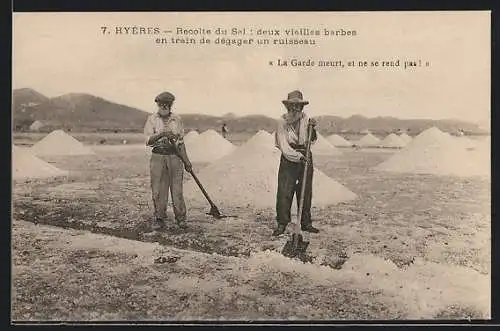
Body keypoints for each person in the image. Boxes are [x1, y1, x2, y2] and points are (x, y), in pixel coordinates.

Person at [143, 91, 193, 231]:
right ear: (157, 104)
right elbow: (148, 141)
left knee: (177, 190)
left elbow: (181, 143)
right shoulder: (152, 120)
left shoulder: (177, 120)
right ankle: (160, 218)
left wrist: (187, 161)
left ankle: (181, 219)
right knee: (158, 189)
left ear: (171, 105)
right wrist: (162, 134)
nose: (164, 106)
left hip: (175, 157)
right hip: (158, 157)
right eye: (161, 104)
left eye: (167, 104)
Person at [273, 90, 319, 236]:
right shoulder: (282, 122)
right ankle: (282, 223)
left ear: (302, 108)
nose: (295, 109)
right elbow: (284, 146)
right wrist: (298, 157)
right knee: (285, 191)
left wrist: (314, 130)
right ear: (287, 107)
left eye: (298, 106)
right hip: (289, 158)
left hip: (306, 156)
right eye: (292, 106)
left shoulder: (307, 120)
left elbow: (311, 141)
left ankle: (306, 223)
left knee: (305, 191)